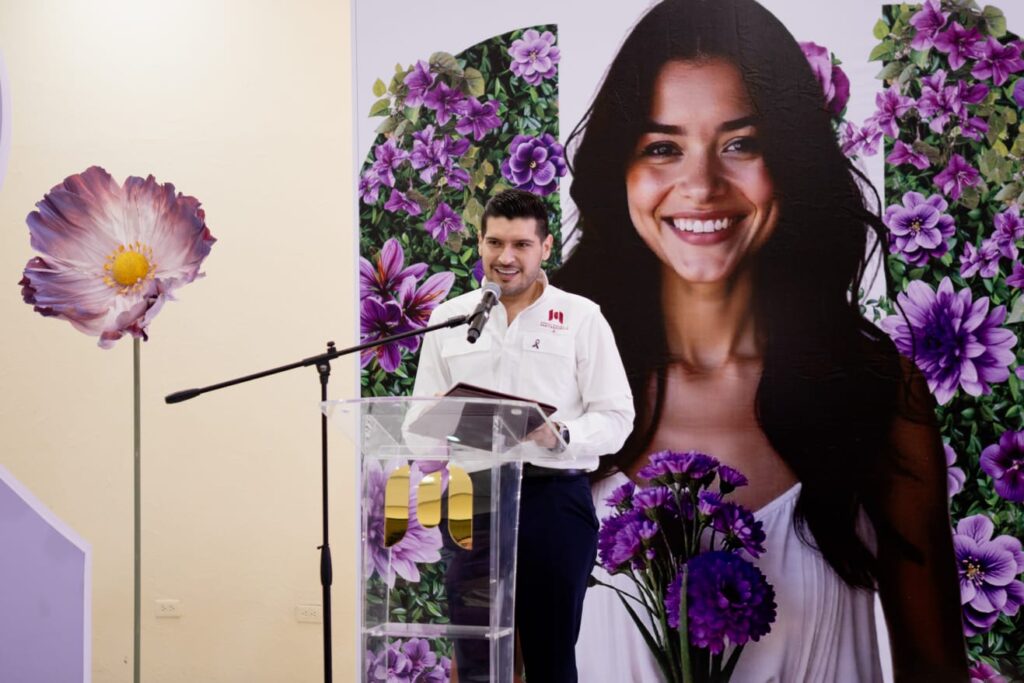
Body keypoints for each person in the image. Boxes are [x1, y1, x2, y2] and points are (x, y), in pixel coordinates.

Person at [555, 0, 969, 681]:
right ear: (619, 174)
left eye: (740, 143)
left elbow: (936, 670)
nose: (702, 185)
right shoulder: (552, 396)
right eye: (663, 147)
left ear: (791, 161)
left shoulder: (876, 395)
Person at [412, 188, 634, 682]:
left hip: (552, 500)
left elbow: (617, 418)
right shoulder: (448, 318)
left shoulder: (581, 317)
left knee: (550, 654)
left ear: (546, 247)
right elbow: (415, 423)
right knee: (473, 657)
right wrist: (433, 468)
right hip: (474, 499)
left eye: (520, 245)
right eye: (494, 243)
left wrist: (560, 435)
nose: (505, 258)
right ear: (479, 242)